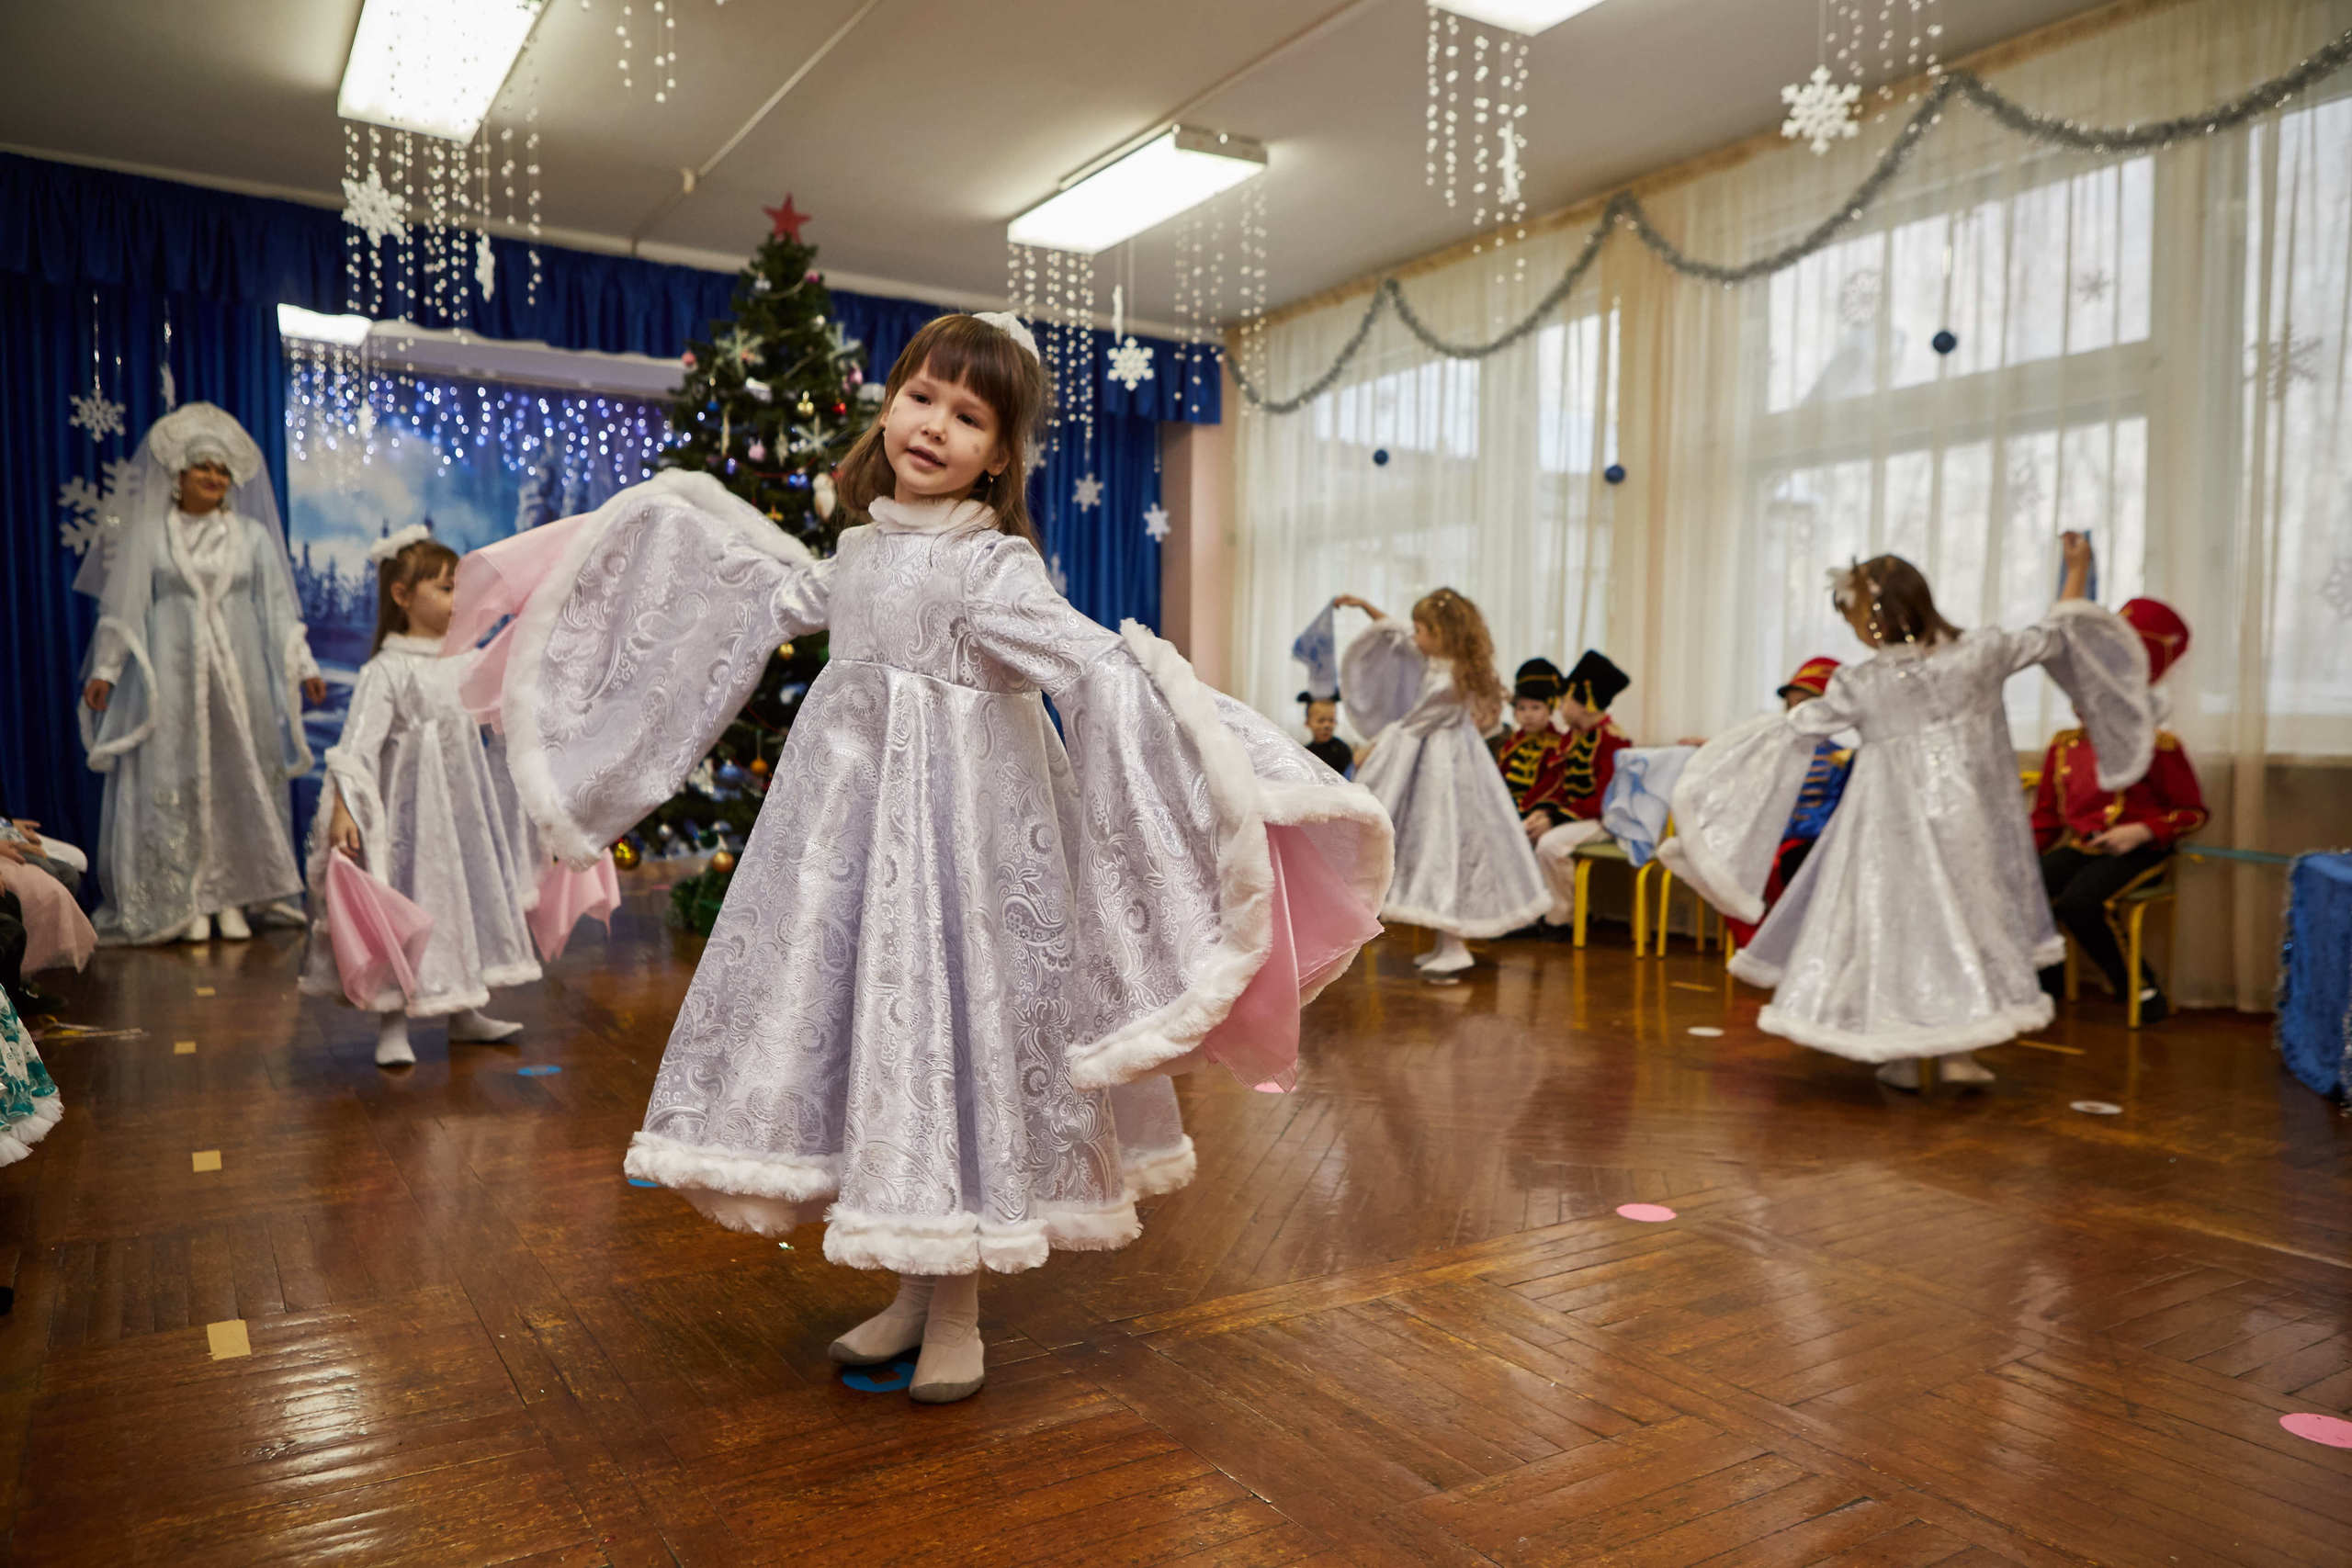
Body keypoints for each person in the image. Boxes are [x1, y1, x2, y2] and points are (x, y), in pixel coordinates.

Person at [464, 313, 1391, 1404]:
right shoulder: (857, 551)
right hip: (849, 855)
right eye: (921, 398)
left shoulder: (992, 570)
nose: (934, 427)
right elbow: (763, 600)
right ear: (888, 402)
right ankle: (909, 1291)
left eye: (969, 416)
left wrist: (1223, 748)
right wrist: (667, 534)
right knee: (885, 1059)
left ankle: (959, 1311)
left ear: (998, 456)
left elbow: (1090, 665)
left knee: (955, 1056)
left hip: (962, 868)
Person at [1661, 535, 2153, 1092]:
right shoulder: (1960, 658)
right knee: (1940, 929)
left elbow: (1800, 726)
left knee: (1913, 930)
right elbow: (2056, 632)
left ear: (1883, 615)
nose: (1854, 631)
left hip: (1911, 831)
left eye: (1854, 618)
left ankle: (1948, 1049)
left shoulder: (1892, 674)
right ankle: (1910, 1047)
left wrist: (1730, 760)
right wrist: (2075, 574)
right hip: (1928, 828)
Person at [75, 403, 325, 945]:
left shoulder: (252, 537)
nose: (214, 477)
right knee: (176, 773)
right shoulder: (151, 534)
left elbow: (279, 607)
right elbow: (125, 609)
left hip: (238, 677)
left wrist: (302, 666)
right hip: (172, 674)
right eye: (202, 467)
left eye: (221, 470)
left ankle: (232, 895)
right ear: (179, 476)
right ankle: (183, 898)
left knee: (237, 775)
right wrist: (107, 670)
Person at [299, 528, 544, 1067]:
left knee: (465, 902)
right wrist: (344, 808)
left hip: (463, 817)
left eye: (458, 588)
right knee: (407, 910)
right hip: (409, 823)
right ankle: (393, 1018)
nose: (457, 600)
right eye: (444, 588)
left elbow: (497, 722)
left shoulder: (467, 661)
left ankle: (465, 1010)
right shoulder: (386, 670)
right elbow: (354, 747)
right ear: (403, 596)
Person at [1335, 589, 1549, 976]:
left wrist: (1373, 749)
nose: (1414, 637)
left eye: (1421, 630)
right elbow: (1399, 632)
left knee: (1446, 849)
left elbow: (1415, 725)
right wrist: (1368, 608)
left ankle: (1454, 944)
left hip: (1447, 770)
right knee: (1436, 850)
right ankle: (1445, 943)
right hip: (1441, 759)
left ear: (1440, 632)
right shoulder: (1441, 659)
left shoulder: (1448, 680)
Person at [2032, 598, 2204, 1024]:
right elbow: (2048, 819)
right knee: (2027, 891)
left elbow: (2192, 812)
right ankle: (2045, 983)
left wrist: (2142, 832)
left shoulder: (2158, 746)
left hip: (2139, 849)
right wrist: (2018, 861)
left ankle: (2140, 987)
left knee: (2081, 903)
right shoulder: (2065, 746)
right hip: (2084, 846)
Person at [1724, 657, 1851, 949]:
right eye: (1791, 706)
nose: (1796, 714)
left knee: (1788, 863)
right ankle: (1758, 949)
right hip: (1774, 840)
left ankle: (1789, 948)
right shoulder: (1775, 751)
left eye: (1804, 706)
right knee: (1730, 865)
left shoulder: (1843, 758)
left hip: (1814, 845)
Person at [1522, 650, 1632, 937]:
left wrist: (1556, 820)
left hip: (1602, 820)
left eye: (1567, 699)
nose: (1561, 706)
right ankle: (1530, 913)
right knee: (1525, 833)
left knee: (1550, 844)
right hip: (1572, 816)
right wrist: (1541, 812)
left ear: (1586, 702)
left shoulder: (1613, 742)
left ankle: (1564, 918)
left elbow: (1605, 801)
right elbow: (1555, 784)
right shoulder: (1572, 738)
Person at [1300, 694, 1355, 777]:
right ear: (1307, 723)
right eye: (1321, 721)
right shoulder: (1305, 752)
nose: (1327, 725)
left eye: (1331, 720)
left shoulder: (1342, 749)